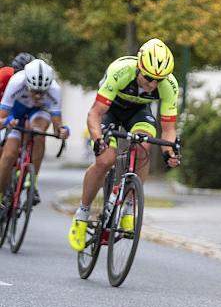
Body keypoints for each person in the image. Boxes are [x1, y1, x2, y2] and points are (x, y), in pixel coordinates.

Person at [67, 38, 181, 251]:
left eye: (159, 79)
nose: (153, 84)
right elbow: (95, 113)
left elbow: (168, 129)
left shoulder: (169, 85)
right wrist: (98, 139)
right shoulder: (121, 71)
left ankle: (129, 206)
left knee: (143, 146)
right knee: (105, 160)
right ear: (139, 67)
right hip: (110, 111)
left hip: (138, 114)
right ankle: (82, 214)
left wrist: (169, 152)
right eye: (148, 78)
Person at [0, 59, 69, 205]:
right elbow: (2, 117)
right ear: (27, 84)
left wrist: (62, 131)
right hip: (16, 111)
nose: (38, 96)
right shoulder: (16, 83)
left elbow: (57, 124)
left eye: (42, 92)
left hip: (39, 112)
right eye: (34, 91)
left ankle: (32, 180)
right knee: (9, 155)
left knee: (39, 132)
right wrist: (7, 122)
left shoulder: (55, 90)